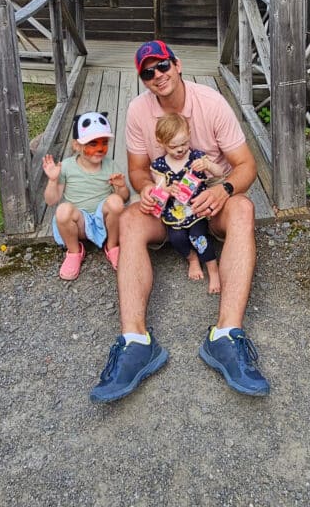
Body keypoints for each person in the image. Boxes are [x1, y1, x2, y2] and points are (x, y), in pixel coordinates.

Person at [89, 40, 270, 402]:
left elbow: (246, 165)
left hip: (209, 203)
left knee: (244, 209)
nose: (157, 75)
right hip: (170, 211)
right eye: (148, 72)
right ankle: (136, 341)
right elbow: (138, 171)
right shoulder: (139, 111)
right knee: (129, 219)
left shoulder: (211, 103)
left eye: (162, 66)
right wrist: (150, 190)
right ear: (142, 79)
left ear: (177, 64)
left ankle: (226, 335)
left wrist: (225, 190)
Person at [43, 111, 128, 281]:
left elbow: (124, 198)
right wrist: (53, 180)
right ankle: (74, 251)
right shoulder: (66, 166)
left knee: (116, 202)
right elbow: (51, 200)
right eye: (92, 143)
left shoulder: (110, 165)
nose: (100, 148)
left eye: (104, 143)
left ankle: (112, 246)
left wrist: (121, 187)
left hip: (103, 222)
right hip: (79, 224)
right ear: (76, 145)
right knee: (63, 210)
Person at [147, 112, 225, 294]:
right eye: (174, 146)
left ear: (189, 135)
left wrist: (208, 166)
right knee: (177, 238)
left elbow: (220, 173)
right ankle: (192, 259)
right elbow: (157, 191)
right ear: (161, 142)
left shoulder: (197, 158)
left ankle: (213, 270)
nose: (180, 149)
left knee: (199, 237)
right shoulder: (160, 166)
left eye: (183, 143)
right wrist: (166, 190)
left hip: (197, 209)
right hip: (174, 212)